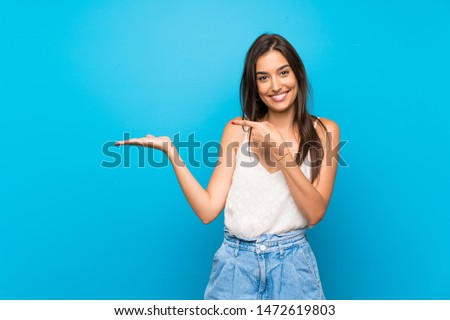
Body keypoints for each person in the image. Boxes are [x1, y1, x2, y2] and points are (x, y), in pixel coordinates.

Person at [115, 33, 340, 300]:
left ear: (298, 75)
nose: (276, 85)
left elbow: (315, 213)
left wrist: (280, 151)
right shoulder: (237, 130)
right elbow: (208, 210)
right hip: (235, 267)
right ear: (254, 85)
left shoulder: (325, 131)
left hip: (292, 267)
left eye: (283, 72)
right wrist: (172, 153)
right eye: (263, 77)